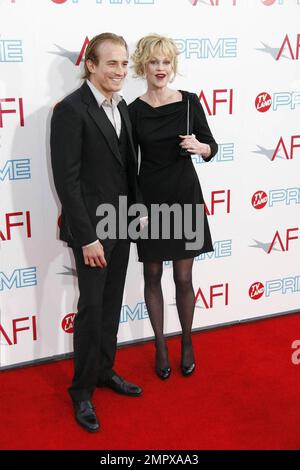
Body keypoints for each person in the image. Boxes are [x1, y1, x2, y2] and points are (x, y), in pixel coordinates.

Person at [50, 33, 143, 433]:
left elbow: (126, 167)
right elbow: (67, 182)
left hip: (121, 223)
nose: (120, 71)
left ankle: (105, 370)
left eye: (124, 64)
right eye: (112, 64)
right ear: (91, 65)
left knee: (111, 302)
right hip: (92, 230)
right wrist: (87, 238)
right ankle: (82, 391)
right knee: (90, 309)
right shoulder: (71, 110)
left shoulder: (120, 106)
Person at [129, 34, 218, 380]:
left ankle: (186, 341)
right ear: (143, 67)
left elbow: (211, 146)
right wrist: (137, 208)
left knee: (183, 277)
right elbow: (127, 165)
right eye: (154, 62)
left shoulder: (189, 103)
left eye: (166, 62)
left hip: (185, 195)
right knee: (152, 274)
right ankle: (160, 345)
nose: (160, 68)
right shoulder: (133, 110)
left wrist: (202, 146)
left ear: (173, 66)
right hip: (149, 200)